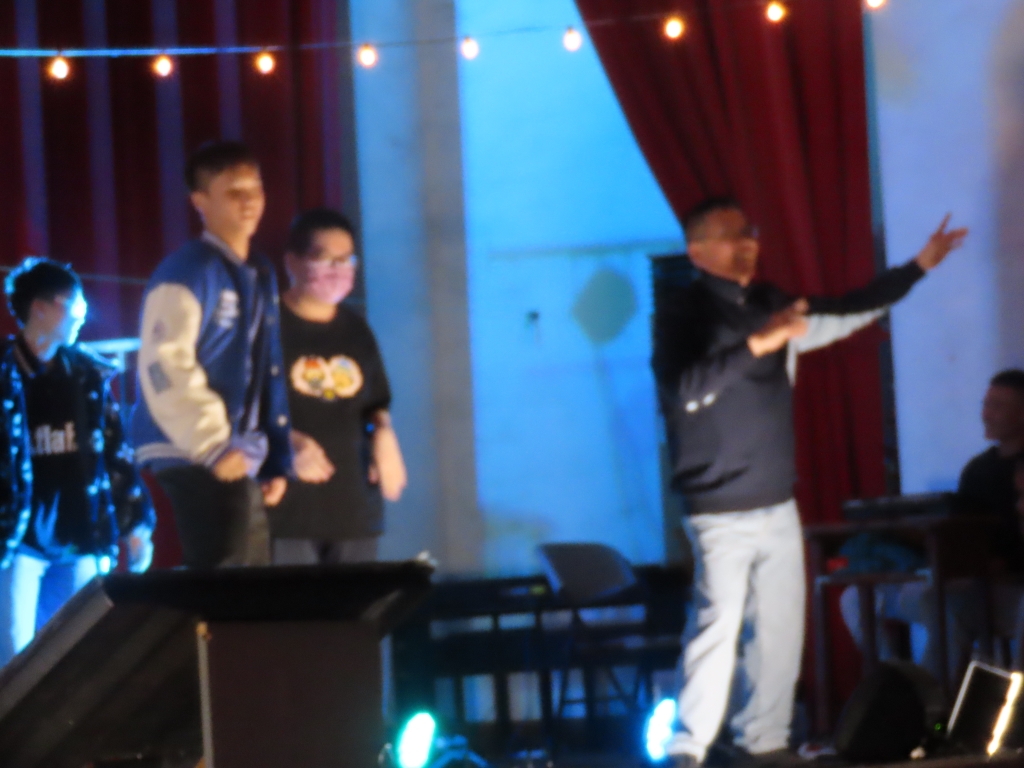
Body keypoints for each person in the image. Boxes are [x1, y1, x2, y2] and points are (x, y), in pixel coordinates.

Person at [652, 197, 967, 767]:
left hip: (775, 498)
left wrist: (918, 266)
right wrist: (759, 344)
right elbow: (684, 390)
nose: (747, 242)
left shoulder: (771, 304)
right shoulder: (684, 313)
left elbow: (848, 309)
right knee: (718, 623)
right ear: (697, 252)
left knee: (779, 625)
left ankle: (766, 738)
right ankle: (687, 746)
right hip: (717, 503)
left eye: (749, 231)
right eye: (730, 235)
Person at [132, 140, 292, 569]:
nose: (249, 202)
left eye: (255, 189)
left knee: (250, 571)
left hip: (232, 450)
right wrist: (212, 446)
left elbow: (264, 373)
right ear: (200, 201)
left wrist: (270, 457)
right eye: (233, 192)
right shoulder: (189, 270)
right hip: (190, 448)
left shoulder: (258, 271)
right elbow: (162, 364)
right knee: (227, 573)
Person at [0, 258, 155, 666]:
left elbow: (115, 453)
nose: (82, 315)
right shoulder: (5, 372)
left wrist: (135, 524)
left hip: (80, 536)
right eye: (74, 304)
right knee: (15, 660)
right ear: (40, 307)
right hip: (18, 543)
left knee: (77, 655)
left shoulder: (86, 375)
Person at [840, 370, 1024, 681]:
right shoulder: (978, 470)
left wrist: (1001, 563)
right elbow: (963, 532)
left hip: (1004, 586)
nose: (986, 414)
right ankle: (895, 682)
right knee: (855, 598)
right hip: (965, 580)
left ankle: (928, 696)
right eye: (986, 404)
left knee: (948, 607)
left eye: (998, 406)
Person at [268, 208, 406, 564]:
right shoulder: (265, 327)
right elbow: (240, 409)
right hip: (288, 513)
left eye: (346, 260)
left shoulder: (356, 330)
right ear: (293, 262)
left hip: (353, 509)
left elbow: (376, 402)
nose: (338, 270)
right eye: (326, 259)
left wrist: (384, 434)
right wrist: (287, 442)